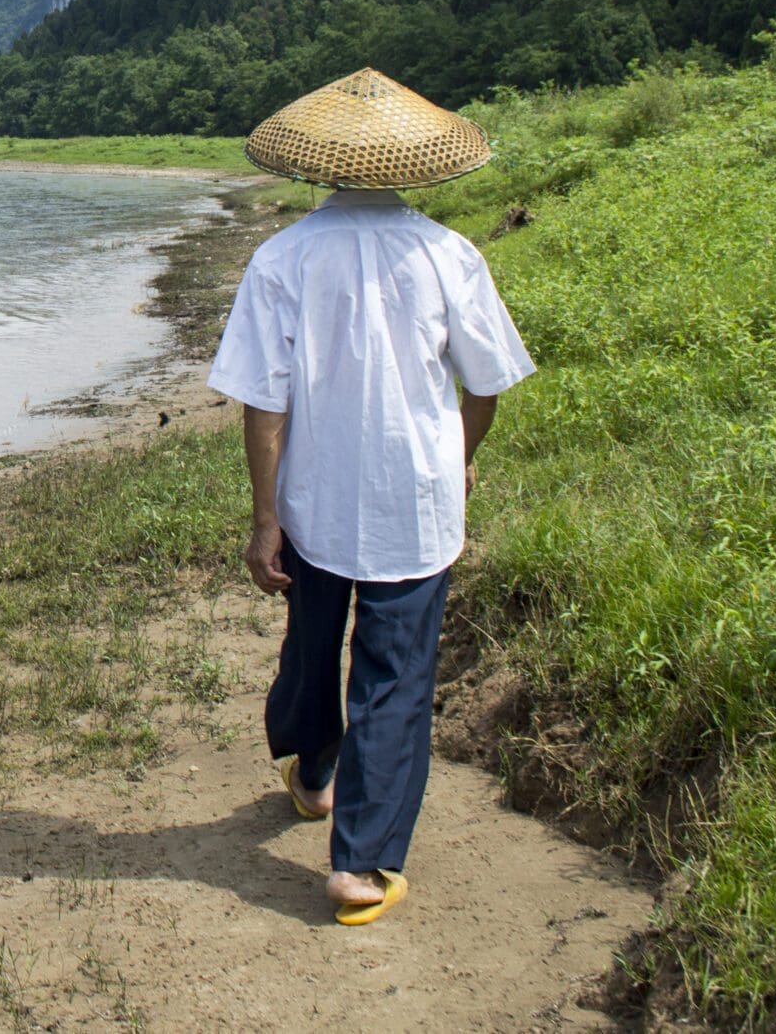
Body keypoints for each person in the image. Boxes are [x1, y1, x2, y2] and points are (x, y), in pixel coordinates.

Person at [205, 68, 534, 926]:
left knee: (314, 646)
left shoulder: (282, 259)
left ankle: (314, 772)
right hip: (414, 504)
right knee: (395, 676)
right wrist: (454, 459)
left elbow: (264, 403)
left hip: (315, 500)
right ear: (410, 165)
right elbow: (487, 385)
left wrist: (265, 518)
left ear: (318, 165)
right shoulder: (448, 254)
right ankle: (359, 865)